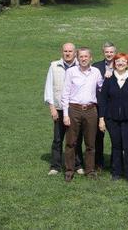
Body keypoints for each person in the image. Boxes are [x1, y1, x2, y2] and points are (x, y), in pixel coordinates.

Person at [61, 47, 103, 182]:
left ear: (91, 58)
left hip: (91, 110)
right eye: (81, 57)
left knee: (90, 143)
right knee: (71, 142)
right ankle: (69, 170)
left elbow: (102, 88)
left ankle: (90, 170)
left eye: (86, 56)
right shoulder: (71, 72)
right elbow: (65, 93)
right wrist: (66, 114)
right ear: (77, 58)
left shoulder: (96, 72)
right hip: (74, 109)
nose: (83, 59)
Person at [98, 53, 128, 185]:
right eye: (118, 61)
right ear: (114, 63)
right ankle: (116, 172)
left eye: (123, 61)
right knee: (116, 146)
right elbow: (103, 100)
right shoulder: (109, 81)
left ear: (127, 64)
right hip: (112, 120)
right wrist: (101, 118)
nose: (120, 63)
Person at [44, 42, 84, 176]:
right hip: (59, 108)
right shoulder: (54, 66)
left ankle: (77, 164)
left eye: (70, 51)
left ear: (75, 52)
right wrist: (52, 107)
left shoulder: (81, 66)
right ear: (62, 52)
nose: (67, 53)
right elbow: (49, 87)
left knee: (76, 138)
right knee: (58, 138)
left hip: (75, 108)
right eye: (65, 51)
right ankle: (55, 165)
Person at [92, 41, 116, 172]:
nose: (109, 54)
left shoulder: (120, 65)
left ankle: (114, 164)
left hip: (114, 107)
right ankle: (98, 163)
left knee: (115, 137)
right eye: (107, 52)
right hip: (99, 106)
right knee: (98, 136)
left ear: (115, 53)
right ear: (103, 52)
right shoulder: (96, 67)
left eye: (111, 52)